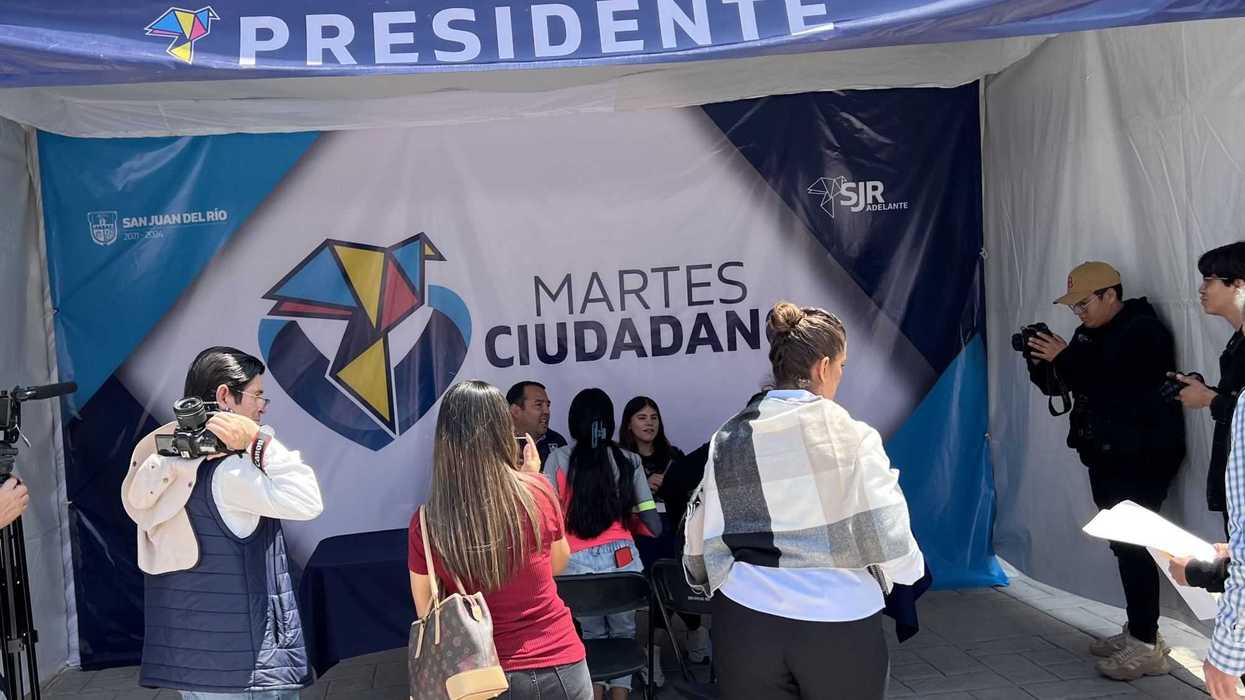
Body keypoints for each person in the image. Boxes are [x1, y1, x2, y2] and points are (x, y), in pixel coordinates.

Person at [683, 302, 924, 700]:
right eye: (842, 366)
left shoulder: (728, 436)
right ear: (823, 367)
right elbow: (890, 537)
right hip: (838, 618)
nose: (841, 376)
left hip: (745, 618)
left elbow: (699, 536)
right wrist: (908, 572)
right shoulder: (853, 437)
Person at [127, 347, 323, 699]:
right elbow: (308, 500)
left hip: (193, 668)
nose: (262, 406)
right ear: (224, 397)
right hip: (247, 670)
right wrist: (258, 441)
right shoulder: (229, 473)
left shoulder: (163, 467)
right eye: (257, 395)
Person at [1025, 261, 1185, 680]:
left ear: (1110, 295)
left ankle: (1147, 645)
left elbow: (1119, 389)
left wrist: (1066, 357)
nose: (1078, 313)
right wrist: (1041, 362)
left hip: (1142, 456)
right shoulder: (1089, 333)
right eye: (1074, 306)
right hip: (1106, 454)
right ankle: (1139, 630)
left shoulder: (1142, 331)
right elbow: (1068, 383)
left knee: (1135, 546)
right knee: (1122, 544)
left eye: (1084, 304)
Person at [408, 381, 589, 700]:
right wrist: (532, 478)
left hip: (482, 674)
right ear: (503, 429)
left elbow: (427, 610)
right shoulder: (539, 491)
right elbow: (558, 563)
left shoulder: (427, 522)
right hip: (561, 660)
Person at [544, 388, 661, 700]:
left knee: (592, 634)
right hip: (623, 561)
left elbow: (547, 518)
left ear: (575, 422)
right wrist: (629, 523)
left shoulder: (557, 459)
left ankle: (594, 692)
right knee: (624, 632)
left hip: (574, 563)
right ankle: (621, 695)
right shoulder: (630, 460)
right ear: (609, 422)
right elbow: (654, 524)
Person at [618, 396, 703, 671]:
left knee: (674, 574)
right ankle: (660, 646)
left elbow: (693, 495)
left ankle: (682, 636)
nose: (649, 423)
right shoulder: (620, 458)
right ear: (629, 424)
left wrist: (671, 485)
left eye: (654, 417)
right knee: (660, 577)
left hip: (675, 529)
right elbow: (612, 501)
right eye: (642, 417)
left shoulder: (673, 456)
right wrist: (641, 486)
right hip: (635, 532)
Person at [1172, 243, 1245, 535]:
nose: (1201, 289)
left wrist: (1210, 400)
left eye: (1209, 280)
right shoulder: (1237, 340)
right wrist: (1208, 393)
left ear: (1239, 284)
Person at [508, 381, 568, 463]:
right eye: (539, 405)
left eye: (548, 405)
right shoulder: (499, 442)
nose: (547, 411)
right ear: (515, 411)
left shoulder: (557, 440)